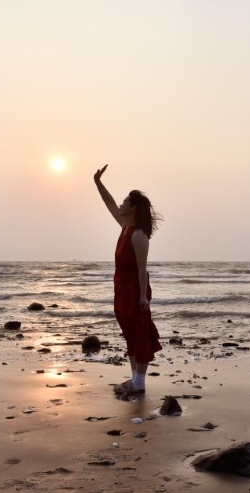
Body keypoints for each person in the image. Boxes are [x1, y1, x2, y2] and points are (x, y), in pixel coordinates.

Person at [94, 164, 163, 396]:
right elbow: (109, 203)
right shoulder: (125, 226)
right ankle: (134, 380)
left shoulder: (139, 235)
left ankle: (140, 384)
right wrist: (98, 182)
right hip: (121, 287)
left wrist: (143, 296)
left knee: (141, 334)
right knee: (129, 334)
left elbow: (143, 270)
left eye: (125, 202)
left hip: (135, 289)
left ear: (132, 208)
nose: (121, 205)